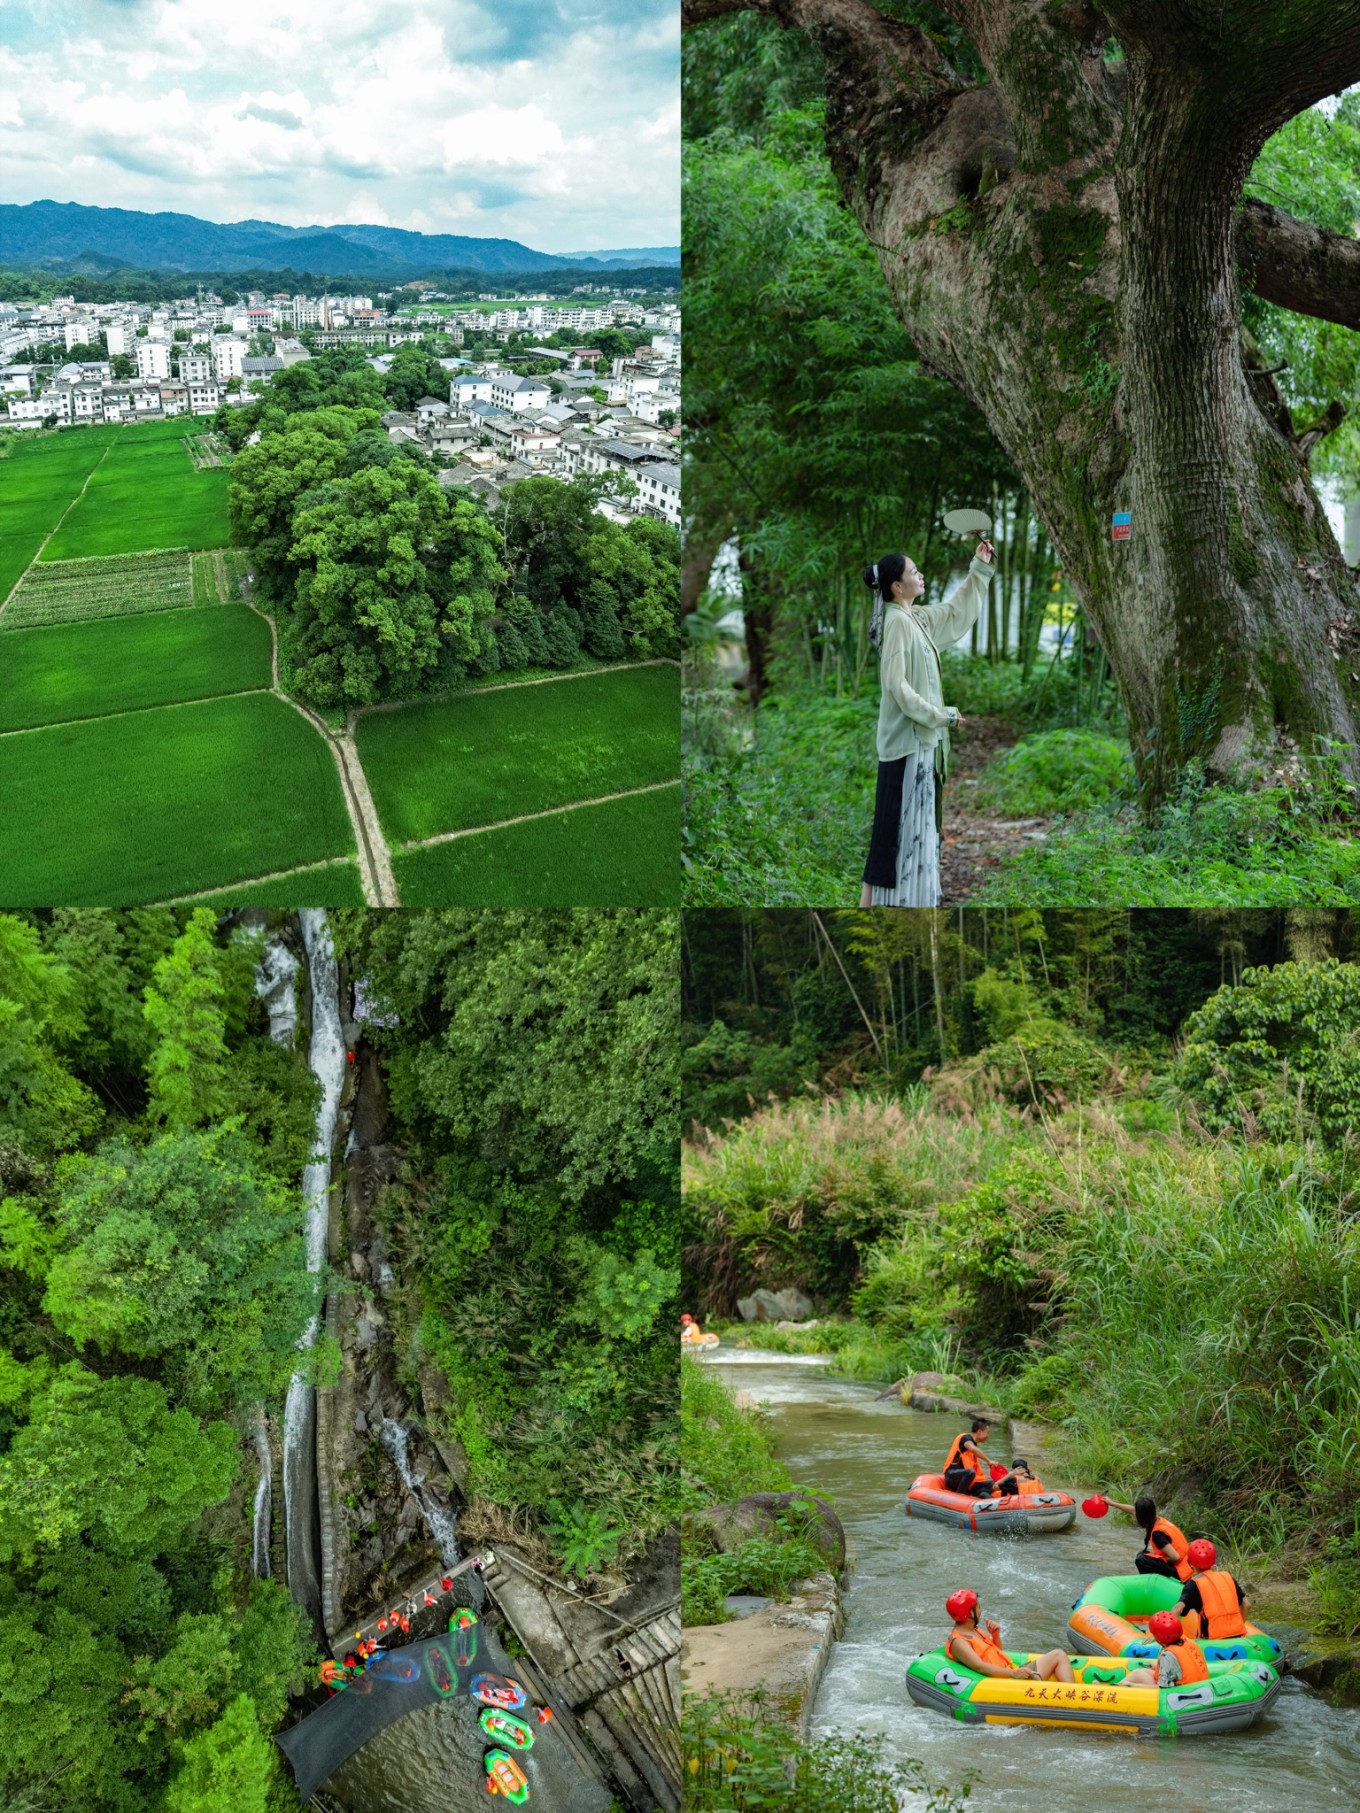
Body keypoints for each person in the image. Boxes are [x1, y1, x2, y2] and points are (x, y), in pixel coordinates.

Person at [860, 539, 995, 907]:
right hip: (905, 746)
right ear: (896, 586)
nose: (921, 575)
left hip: (921, 743)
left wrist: (979, 568)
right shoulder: (897, 623)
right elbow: (896, 685)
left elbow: (953, 614)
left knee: (908, 833)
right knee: (893, 835)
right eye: (914, 572)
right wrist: (941, 715)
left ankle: (908, 905)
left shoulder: (914, 618)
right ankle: (890, 908)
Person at [944, 1589, 1075, 1683]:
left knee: (1059, 1655)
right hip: (1006, 1683)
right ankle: (1073, 1698)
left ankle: (1072, 1693)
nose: (980, 1611)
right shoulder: (959, 1642)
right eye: (978, 1607)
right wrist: (1013, 1673)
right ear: (970, 1613)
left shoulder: (974, 1630)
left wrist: (995, 1635)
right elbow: (980, 1666)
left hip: (1009, 1673)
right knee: (1055, 1659)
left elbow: (998, 1653)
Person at [1104, 1494, 1193, 1580]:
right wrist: (1112, 1503)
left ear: (1141, 1517)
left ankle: (1150, 1584)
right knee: (1143, 1555)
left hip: (1181, 1571)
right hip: (1188, 1565)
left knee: (1141, 1559)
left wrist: (1160, 1559)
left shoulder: (1157, 1534)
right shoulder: (1156, 1519)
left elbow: (1175, 1557)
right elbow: (1133, 1510)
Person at [1173, 1539, 1248, 1640]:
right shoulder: (1227, 1577)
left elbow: (1178, 1609)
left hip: (1211, 1640)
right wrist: (1241, 1626)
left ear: (1190, 1563)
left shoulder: (1193, 1584)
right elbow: (1246, 1604)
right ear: (1213, 1559)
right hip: (1237, 1635)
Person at [1121, 1609, 1209, 1689]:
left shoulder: (1167, 1655)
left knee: (1133, 1679)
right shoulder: (1189, 1642)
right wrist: (1157, 1666)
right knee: (1138, 1673)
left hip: (1183, 1692)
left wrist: (1131, 1685)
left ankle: (1119, 1688)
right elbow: (1181, 1667)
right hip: (1199, 1686)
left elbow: (1163, 1689)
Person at [943, 1417, 1017, 1497]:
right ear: (979, 1432)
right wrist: (988, 1461)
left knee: (994, 1483)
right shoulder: (965, 1438)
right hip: (951, 1477)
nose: (988, 1436)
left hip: (968, 1481)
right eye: (987, 1433)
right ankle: (960, 1497)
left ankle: (999, 1500)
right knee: (970, 1472)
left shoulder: (973, 1445)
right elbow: (973, 1449)